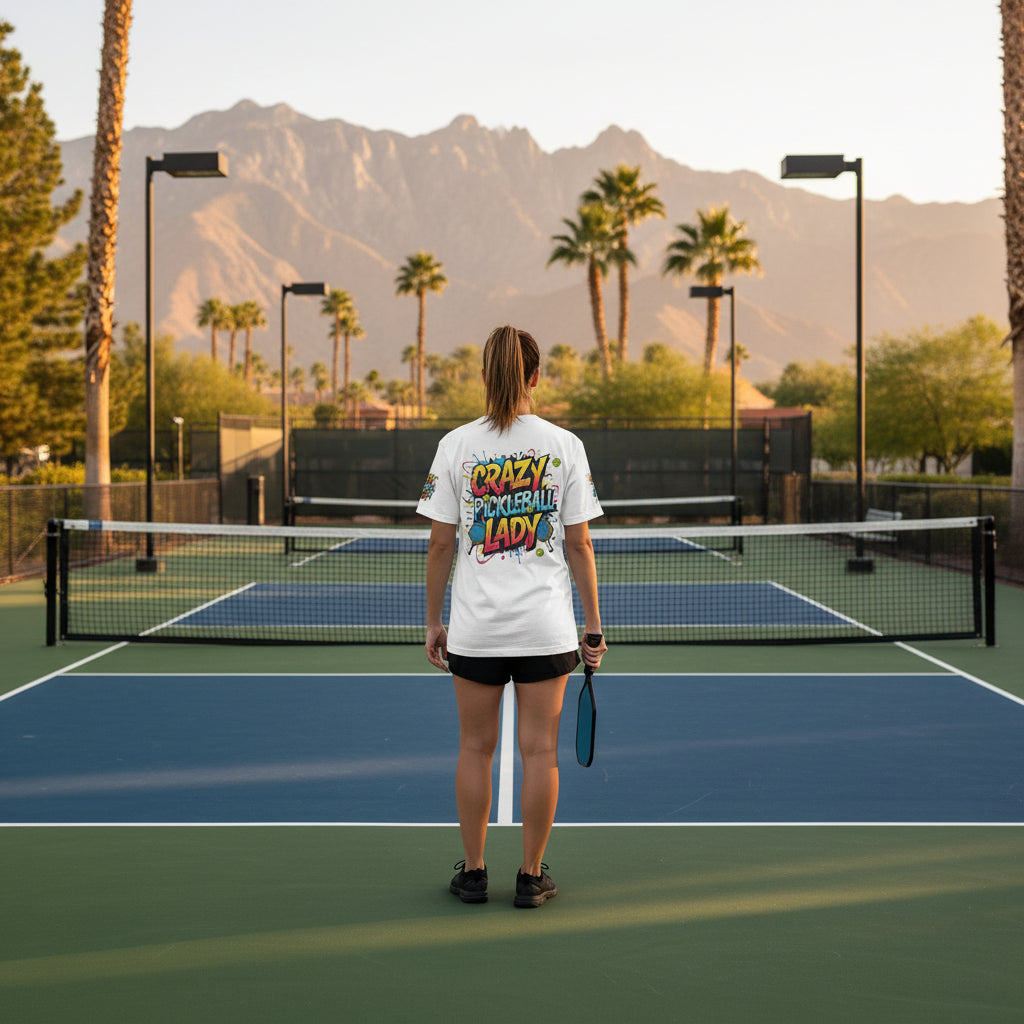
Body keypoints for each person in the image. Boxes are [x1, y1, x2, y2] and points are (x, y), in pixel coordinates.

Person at [416, 324, 607, 908]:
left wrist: (433, 621)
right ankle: (529, 876)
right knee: (540, 753)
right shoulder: (564, 445)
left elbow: (440, 546)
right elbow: (579, 546)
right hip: (545, 630)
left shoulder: (455, 445)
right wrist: (593, 627)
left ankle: (473, 874)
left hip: (475, 630)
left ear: (483, 376)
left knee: (475, 749)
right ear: (535, 376)